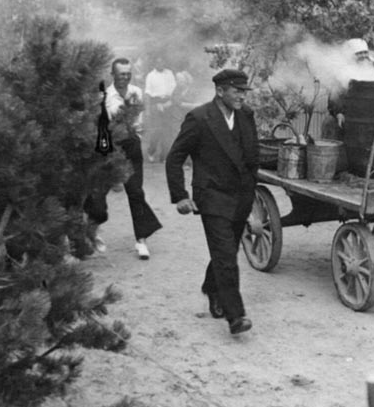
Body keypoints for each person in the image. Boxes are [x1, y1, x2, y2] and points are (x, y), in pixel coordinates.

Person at [165, 68, 259, 335]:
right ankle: (236, 315)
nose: (242, 96)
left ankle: (211, 288)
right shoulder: (199, 118)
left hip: (241, 196)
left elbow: (252, 156)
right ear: (220, 91)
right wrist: (180, 196)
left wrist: (251, 191)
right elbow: (175, 158)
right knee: (226, 256)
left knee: (226, 251)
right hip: (212, 197)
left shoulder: (246, 115)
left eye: (244, 91)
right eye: (236, 91)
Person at [105, 58, 163, 259]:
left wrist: (138, 133)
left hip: (131, 145)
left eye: (128, 73)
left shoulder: (136, 92)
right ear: (113, 74)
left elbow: (139, 121)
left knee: (136, 191)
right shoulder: (105, 95)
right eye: (122, 73)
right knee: (96, 192)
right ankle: (89, 234)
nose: (126, 76)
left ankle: (141, 240)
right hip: (111, 146)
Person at [321, 37, 374, 140]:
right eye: (359, 53)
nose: (363, 56)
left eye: (365, 52)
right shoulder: (341, 71)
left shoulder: (372, 68)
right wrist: (339, 112)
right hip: (344, 118)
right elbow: (335, 95)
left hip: (364, 119)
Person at [144, 56, 177, 162]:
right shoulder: (151, 76)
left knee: (167, 131)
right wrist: (149, 109)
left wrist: (169, 102)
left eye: (162, 62)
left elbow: (174, 89)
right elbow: (148, 94)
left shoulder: (169, 73)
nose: (160, 64)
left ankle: (164, 156)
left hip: (168, 103)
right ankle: (151, 151)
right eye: (158, 63)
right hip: (155, 103)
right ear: (155, 64)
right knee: (157, 130)